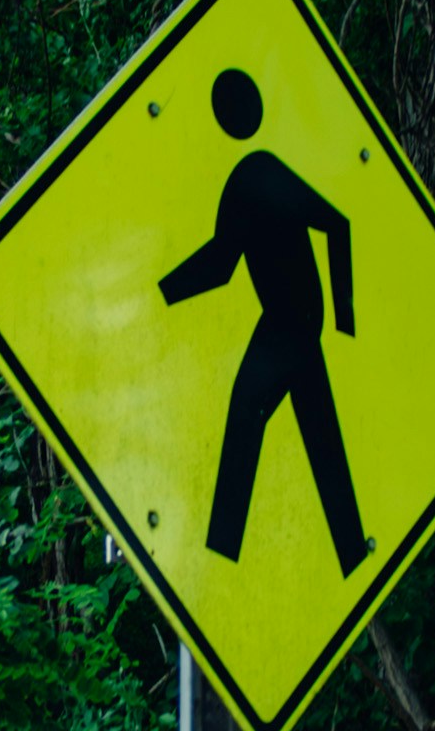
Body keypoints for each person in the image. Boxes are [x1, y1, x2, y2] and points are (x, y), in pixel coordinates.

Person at [159, 69, 371, 572]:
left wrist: (345, 319)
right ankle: (350, 555)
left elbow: (336, 223)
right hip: (291, 323)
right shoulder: (243, 180)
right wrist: (160, 294)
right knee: (320, 439)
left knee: (244, 419)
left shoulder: (260, 173)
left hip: (290, 324)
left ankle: (221, 558)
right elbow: (220, 264)